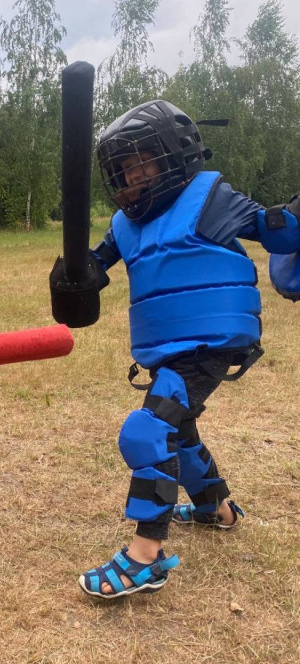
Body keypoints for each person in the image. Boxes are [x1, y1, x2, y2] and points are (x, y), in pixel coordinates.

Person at [67, 100, 300, 598]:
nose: (132, 175)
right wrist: (73, 275)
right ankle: (217, 509)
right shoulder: (125, 224)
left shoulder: (209, 200)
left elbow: (273, 229)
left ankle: (145, 558)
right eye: (123, 168)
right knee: (180, 430)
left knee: (149, 430)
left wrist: (291, 218)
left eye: (142, 162)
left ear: (175, 155)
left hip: (208, 344)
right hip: (171, 349)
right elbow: (95, 264)